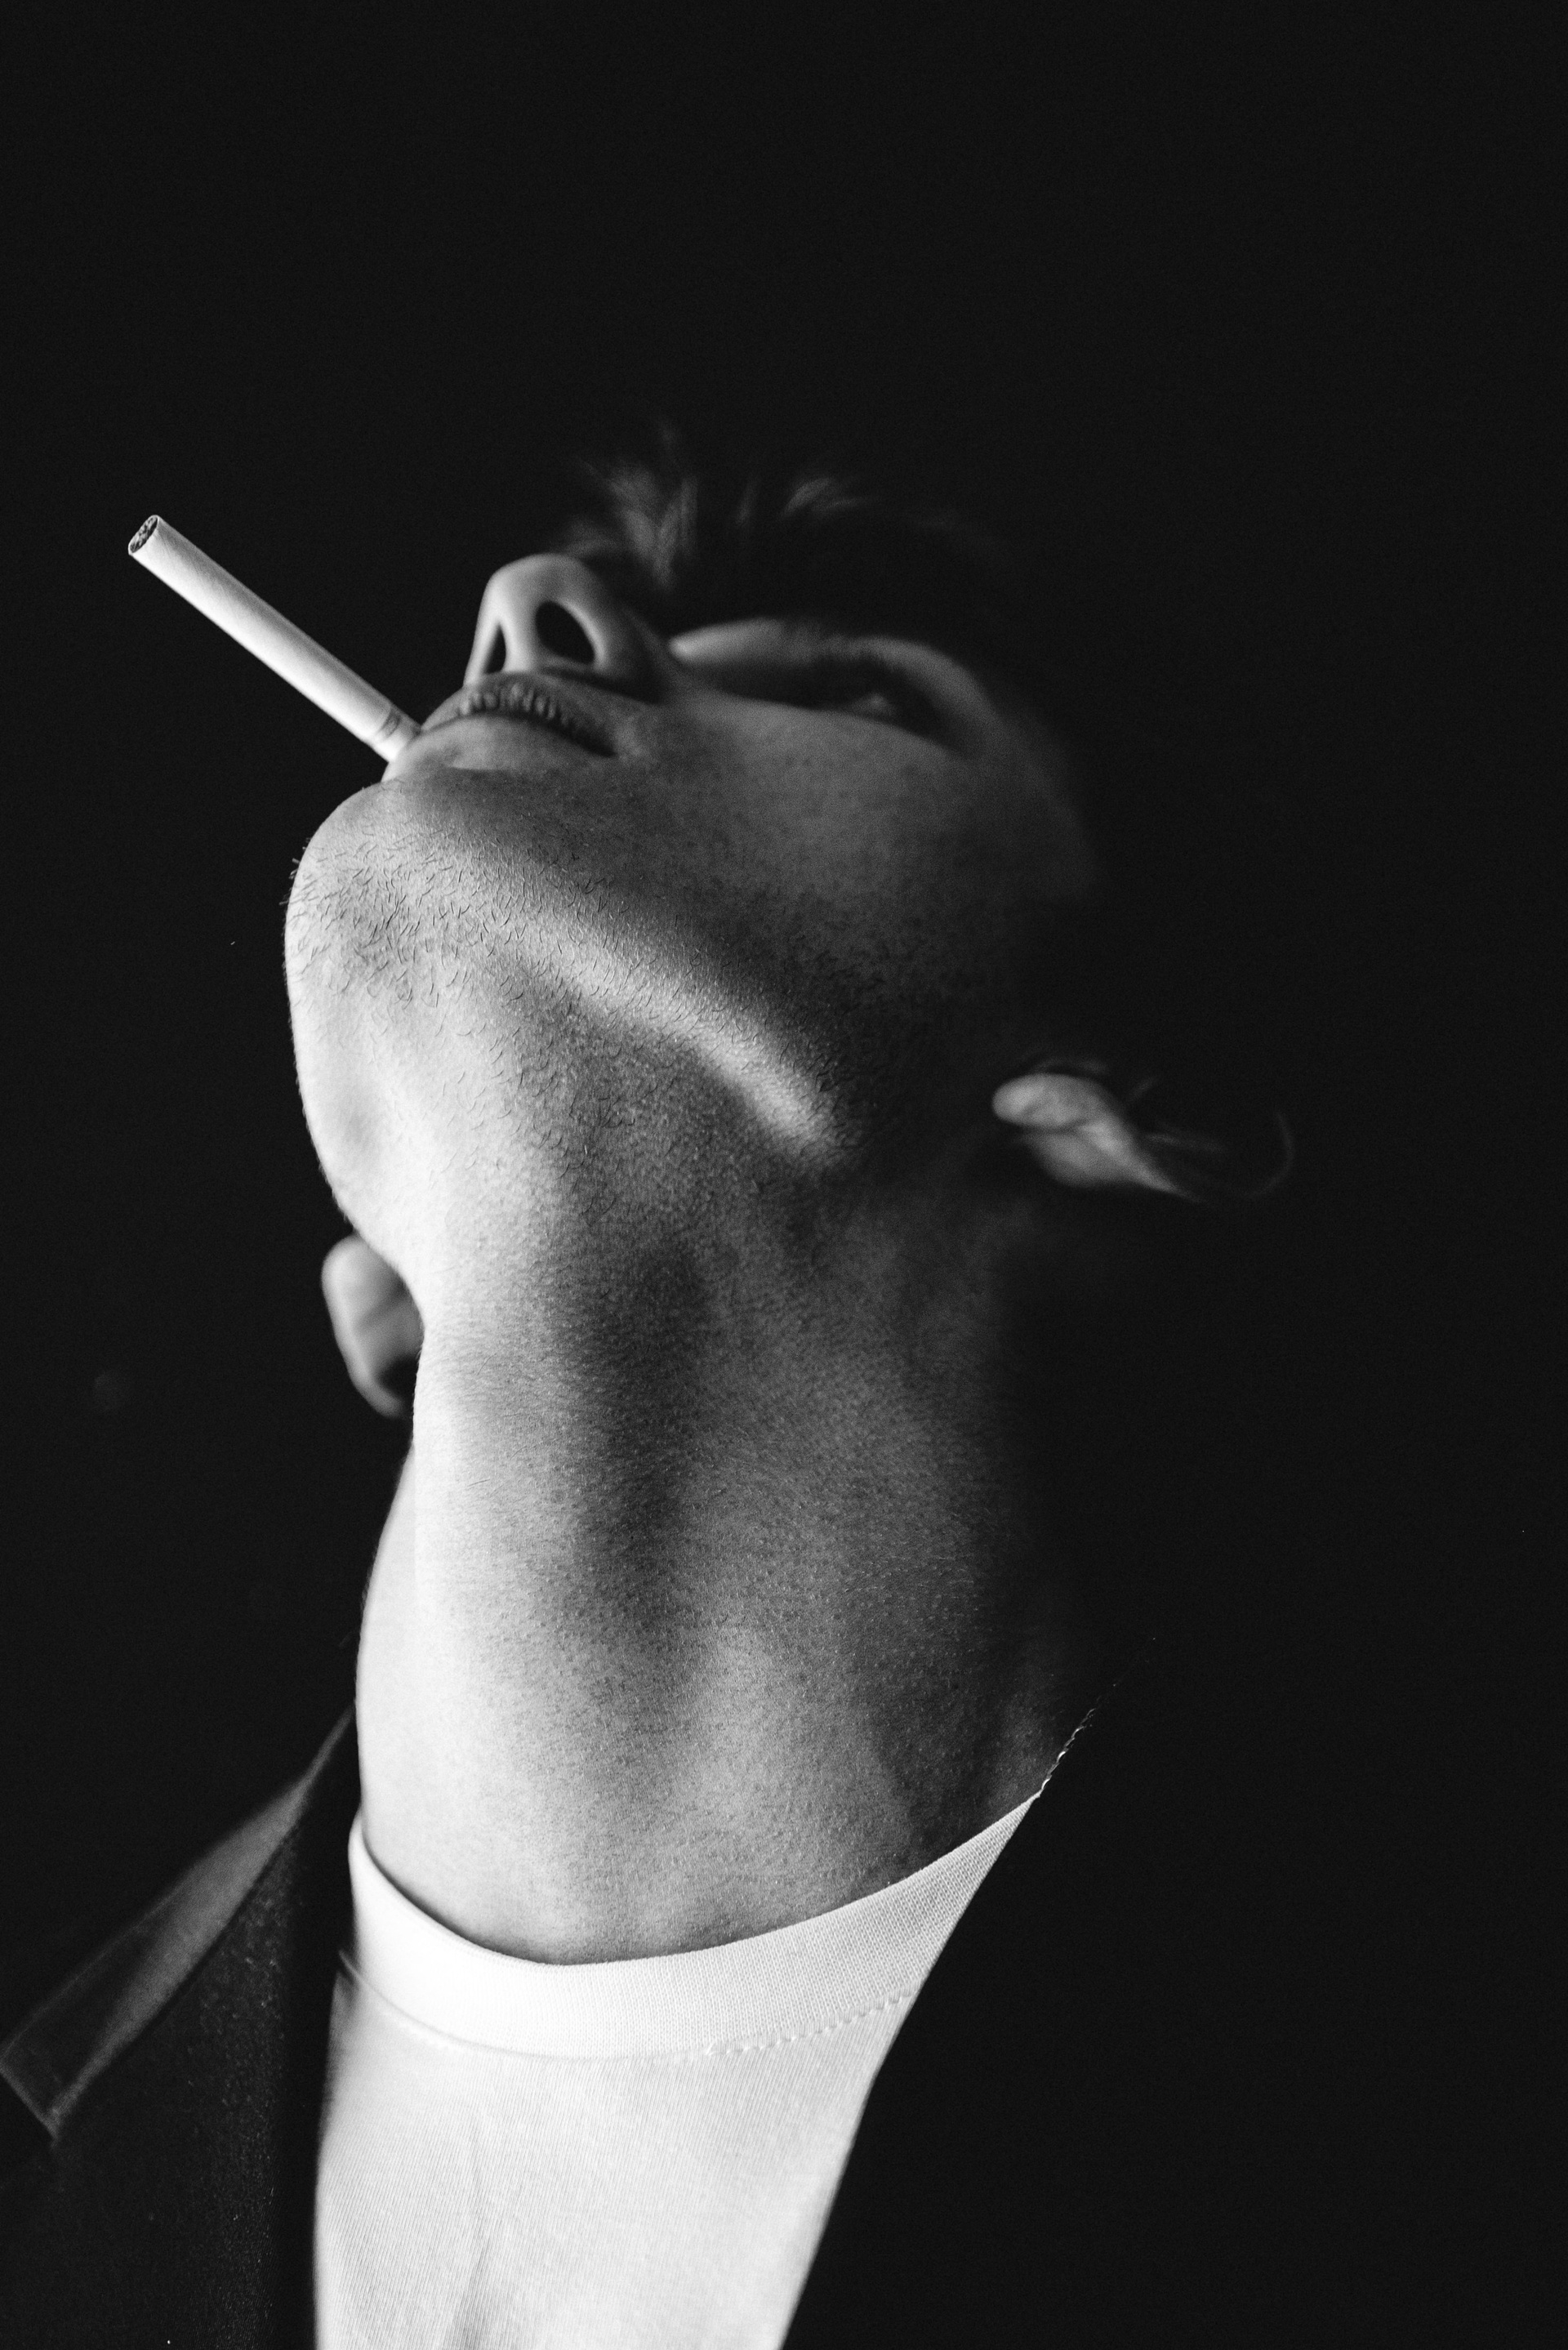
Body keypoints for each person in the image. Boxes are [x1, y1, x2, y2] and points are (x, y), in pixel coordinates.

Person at [0, 429, 1469, 2343]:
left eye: (855, 694)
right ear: (375, 1301)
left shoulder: (1437, 2129)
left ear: (1139, 1114)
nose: (531, 612)